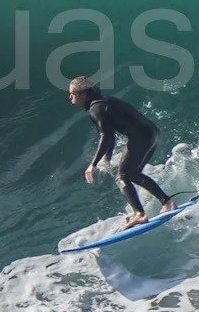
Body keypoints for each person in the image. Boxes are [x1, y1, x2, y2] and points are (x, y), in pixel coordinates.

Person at [70, 75, 176, 222]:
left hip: (140, 138)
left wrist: (92, 165)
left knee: (122, 176)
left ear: (83, 94)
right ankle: (167, 203)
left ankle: (140, 214)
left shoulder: (96, 109)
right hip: (152, 133)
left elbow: (105, 137)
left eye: (73, 94)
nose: (71, 98)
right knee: (133, 174)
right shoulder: (107, 101)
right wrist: (106, 158)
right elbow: (110, 135)